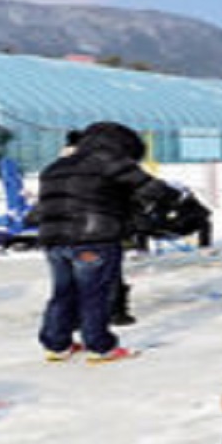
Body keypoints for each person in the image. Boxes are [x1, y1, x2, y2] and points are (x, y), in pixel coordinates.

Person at [32, 121, 178, 362]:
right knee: (95, 294)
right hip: (93, 239)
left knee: (63, 292)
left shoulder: (55, 166)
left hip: (54, 240)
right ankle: (100, 347)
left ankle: (57, 344)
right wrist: (174, 196)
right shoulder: (109, 160)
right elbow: (151, 188)